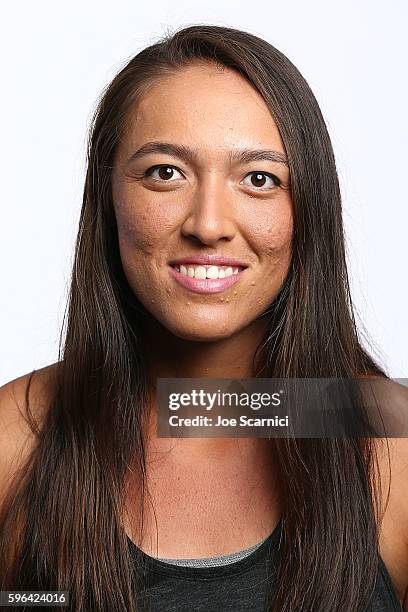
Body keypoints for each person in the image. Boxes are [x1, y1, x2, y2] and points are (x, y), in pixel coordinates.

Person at [0, 24, 407, 612]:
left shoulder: (388, 444)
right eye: (166, 172)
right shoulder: (16, 441)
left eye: (259, 179)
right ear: (107, 196)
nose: (209, 223)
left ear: (308, 208)